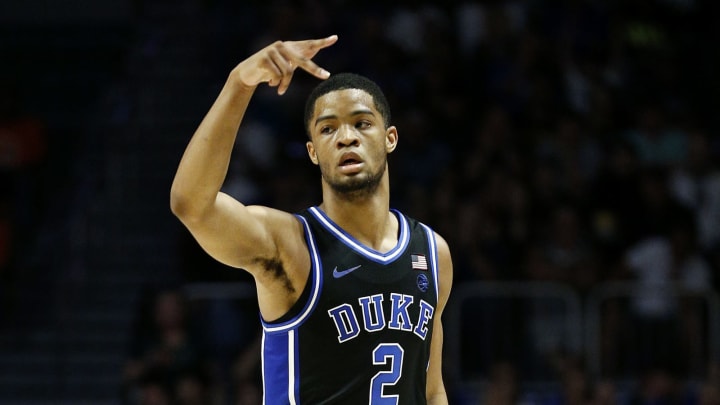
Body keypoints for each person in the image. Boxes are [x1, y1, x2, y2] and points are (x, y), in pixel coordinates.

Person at [170, 35, 453, 404]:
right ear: (313, 152)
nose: (345, 138)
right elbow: (191, 204)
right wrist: (240, 83)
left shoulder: (432, 253)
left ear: (390, 139)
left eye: (362, 123)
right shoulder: (290, 245)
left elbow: (431, 391)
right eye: (328, 128)